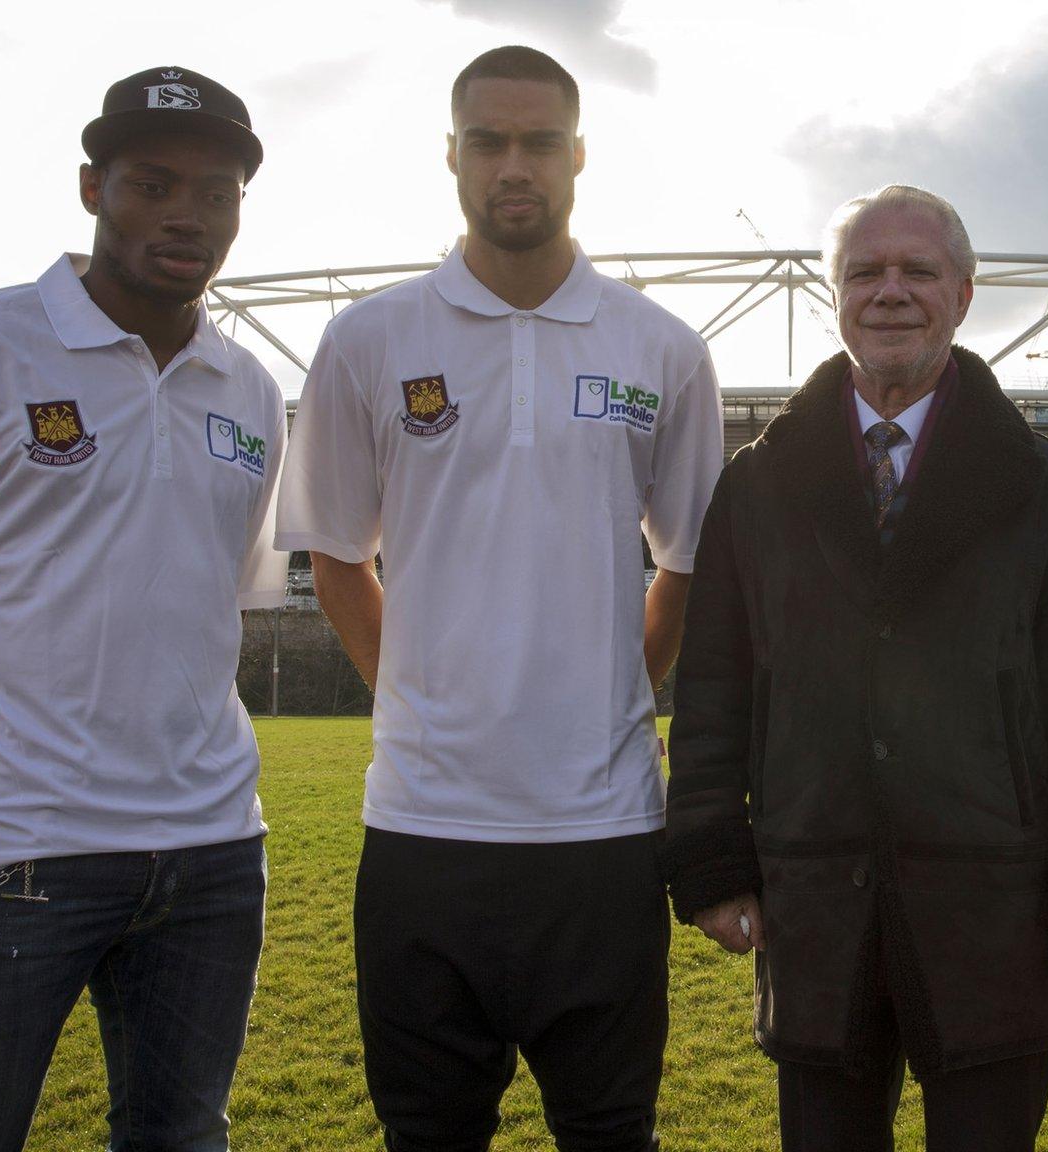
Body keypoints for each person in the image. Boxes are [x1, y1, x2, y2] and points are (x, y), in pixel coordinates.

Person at [0, 66, 284, 1150]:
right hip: (12, 857)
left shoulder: (250, 388)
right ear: (91, 188)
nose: (186, 216)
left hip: (213, 854)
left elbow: (221, 601)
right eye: (152, 184)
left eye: (216, 194)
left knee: (184, 1138)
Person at [274, 45, 724, 1152]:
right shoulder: (368, 339)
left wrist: (620, 690)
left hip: (605, 831)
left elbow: (690, 563)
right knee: (426, 1134)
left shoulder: (660, 348)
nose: (510, 165)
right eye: (487, 141)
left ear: (578, 157)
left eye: (536, 142)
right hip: (423, 829)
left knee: (611, 1131)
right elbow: (335, 553)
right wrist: (414, 698)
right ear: (451, 156)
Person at [662, 184, 1048, 1152]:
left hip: (991, 909)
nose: (889, 292)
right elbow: (715, 687)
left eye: (916, 271)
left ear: (963, 294)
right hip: (815, 901)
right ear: (833, 295)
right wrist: (714, 860)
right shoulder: (758, 484)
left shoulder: (1043, 487)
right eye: (864, 272)